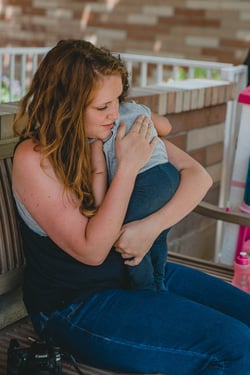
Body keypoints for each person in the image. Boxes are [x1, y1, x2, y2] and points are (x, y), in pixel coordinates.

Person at [12, 39, 250, 375]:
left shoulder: (112, 127)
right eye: (102, 106)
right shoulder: (35, 158)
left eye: (118, 100)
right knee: (237, 348)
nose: (115, 112)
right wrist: (126, 167)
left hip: (139, 273)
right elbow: (92, 250)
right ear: (66, 104)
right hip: (75, 305)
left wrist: (148, 229)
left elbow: (196, 176)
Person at [102, 100, 180, 291]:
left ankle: (144, 290)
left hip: (145, 180)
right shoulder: (135, 107)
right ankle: (159, 284)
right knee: (157, 237)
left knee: (127, 234)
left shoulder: (100, 122)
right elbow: (166, 127)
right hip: (169, 173)